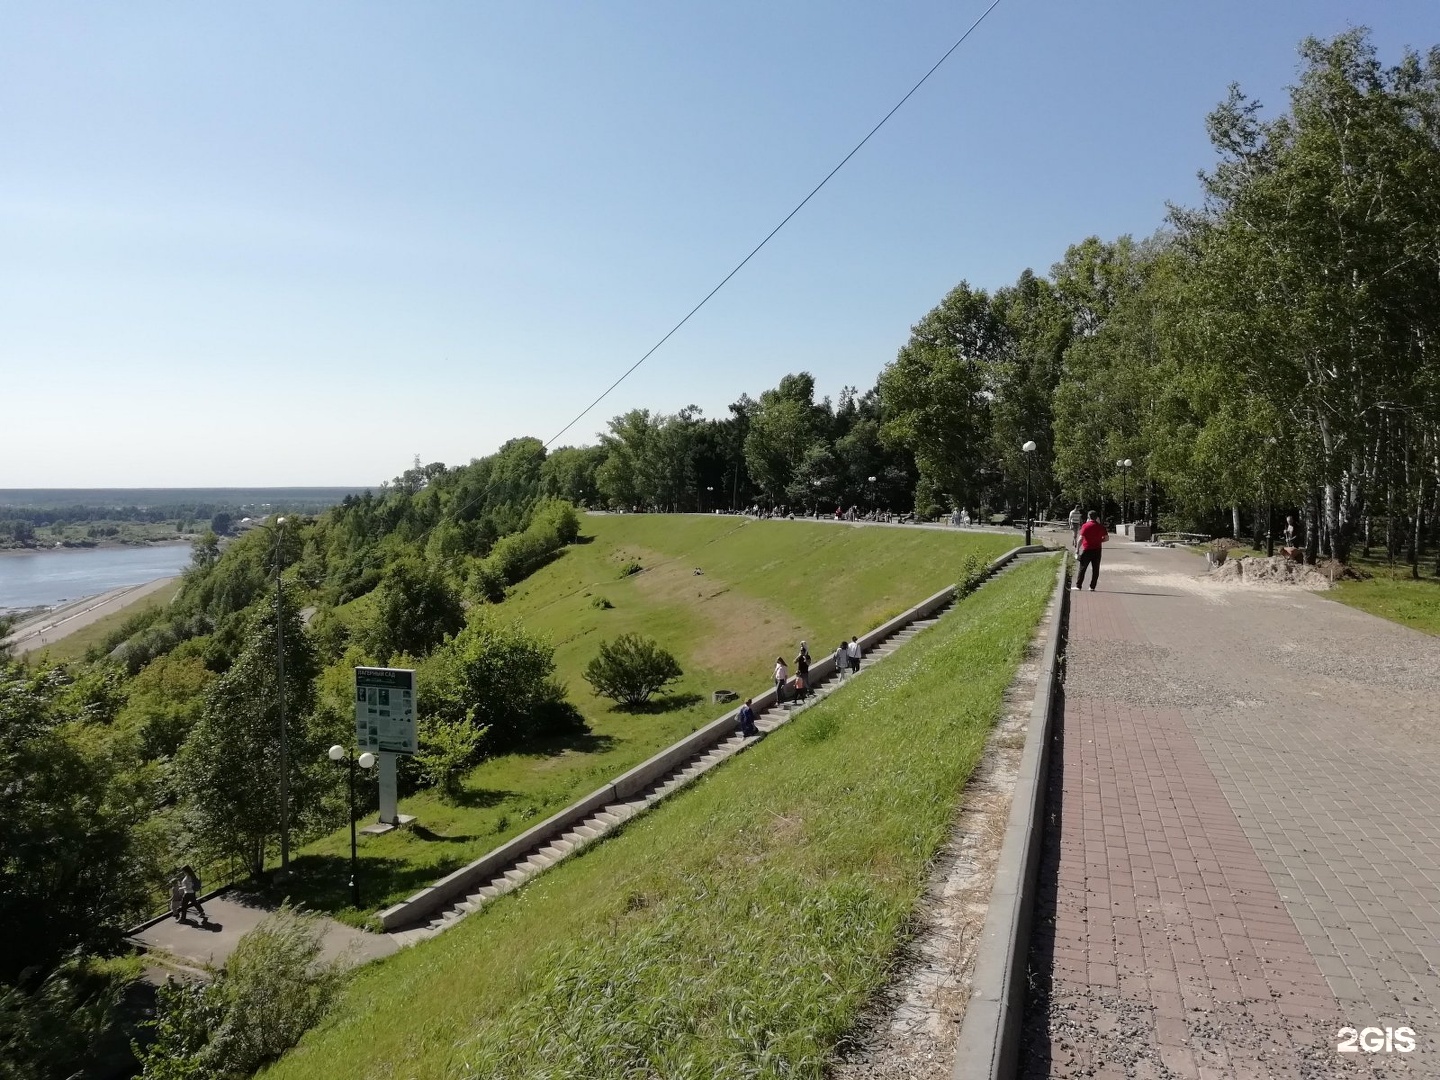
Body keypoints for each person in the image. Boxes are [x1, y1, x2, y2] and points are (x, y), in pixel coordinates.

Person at [1074, 511, 1107, 591]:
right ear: (1096, 517)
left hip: (1087, 549)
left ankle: (1078, 586)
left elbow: (1081, 538)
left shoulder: (1085, 526)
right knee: (1096, 569)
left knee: (1082, 568)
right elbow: (1106, 538)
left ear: (1088, 517)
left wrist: (1077, 549)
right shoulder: (1101, 527)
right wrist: (1099, 540)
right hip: (1097, 550)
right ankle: (1092, 587)